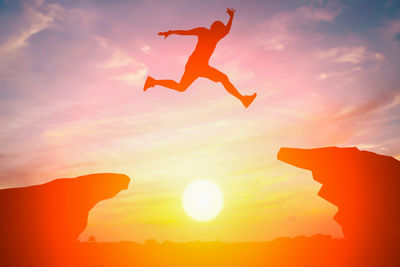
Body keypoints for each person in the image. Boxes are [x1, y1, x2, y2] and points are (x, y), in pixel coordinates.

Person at [143, 8, 257, 108]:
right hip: (197, 66)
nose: (221, 32)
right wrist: (231, 17)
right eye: (219, 29)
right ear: (215, 28)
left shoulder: (211, 34)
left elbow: (225, 30)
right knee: (223, 78)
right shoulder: (208, 33)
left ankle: (153, 81)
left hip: (197, 66)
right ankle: (243, 99)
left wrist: (231, 18)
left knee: (181, 87)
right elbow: (186, 32)